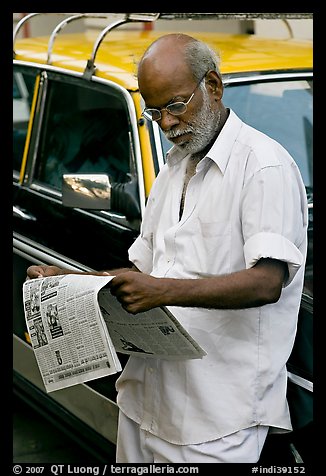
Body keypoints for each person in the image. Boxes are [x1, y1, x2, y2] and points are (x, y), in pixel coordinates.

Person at [26, 33, 308, 463]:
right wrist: (70, 283)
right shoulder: (173, 168)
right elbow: (142, 276)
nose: (167, 124)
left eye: (176, 105)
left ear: (212, 85)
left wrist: (162, 291)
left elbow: (268, 282)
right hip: (144, 401)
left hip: (215, 420)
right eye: (154, 112)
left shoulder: (264, 166)